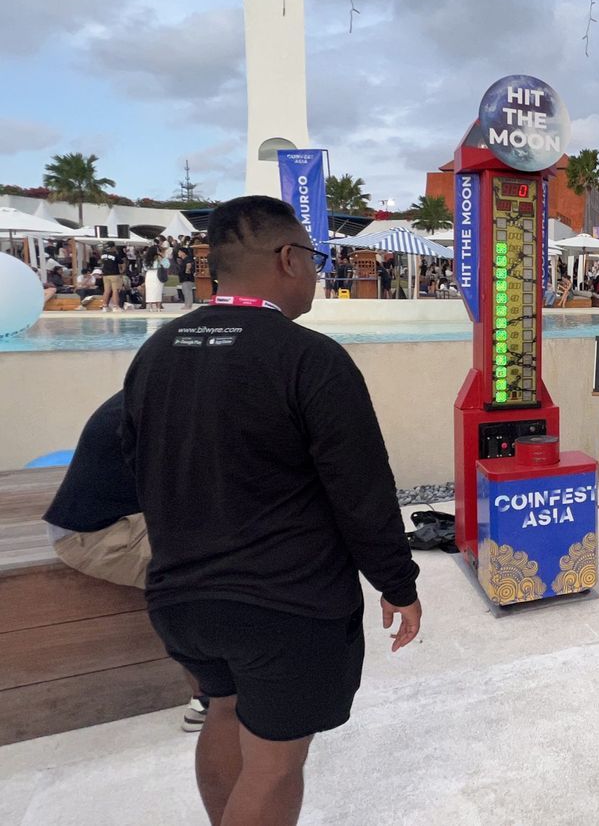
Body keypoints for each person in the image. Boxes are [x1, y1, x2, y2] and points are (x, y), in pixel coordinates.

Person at [121, 196, 422, 826]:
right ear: (288, 258)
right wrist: (397, 583)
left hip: (181, 598)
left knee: (223, 711)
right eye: (314, 257)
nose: (315, 271)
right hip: (285, 604)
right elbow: (362, 491)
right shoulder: (310, 358)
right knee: (274, 765)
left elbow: (135, 467)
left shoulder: (158, 351)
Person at [42, 391, 210, 731]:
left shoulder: (163, 388)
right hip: (96, 534)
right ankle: (207, 699)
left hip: (120, 515)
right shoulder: (173, 406)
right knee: (208, 567)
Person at [99, 243, 123, 312]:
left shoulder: (103, 255)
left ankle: (104, 306)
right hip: (114, 274)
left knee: (106, 291)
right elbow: (121, 263)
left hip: (105, 275)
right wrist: (121, 271)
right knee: (115, 290)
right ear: (113, 247)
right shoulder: (115, 254)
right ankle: (115, 306)